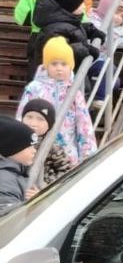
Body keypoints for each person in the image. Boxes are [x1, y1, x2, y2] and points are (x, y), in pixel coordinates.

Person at [18, 36, 97, 167]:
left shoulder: (74, 93)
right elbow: (21, 117)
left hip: (67, 155)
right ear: (46, 65)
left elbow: (84, 126)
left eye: (64, 64)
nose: (59, 68)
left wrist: (88, 156)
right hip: (37, 152)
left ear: (71, 66)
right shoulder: (34, 88)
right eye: (54, 64)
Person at [26, 0, 103, 78]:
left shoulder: (66, 20)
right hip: (58, 83)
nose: (84, 7)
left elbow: (73, 30)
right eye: (80, 4)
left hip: (70, 75)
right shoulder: (53, 30)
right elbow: (61, 52)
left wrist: (90, 30)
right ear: (69, 7)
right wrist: (86, 49)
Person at [18, 97, 73, 186]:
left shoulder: (52, 146)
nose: (33, 123)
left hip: (40, 193)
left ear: (49, 125)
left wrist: (44, 186)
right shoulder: (15, 139)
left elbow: (67, 172)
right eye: (29, 117)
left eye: (40, 119)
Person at [0, 116, 37, 214]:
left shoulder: (17, 171)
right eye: (28, 146)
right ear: (11, 148)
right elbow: (9, 220)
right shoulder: (4, 179)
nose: (34, 150)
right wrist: (35, 205)